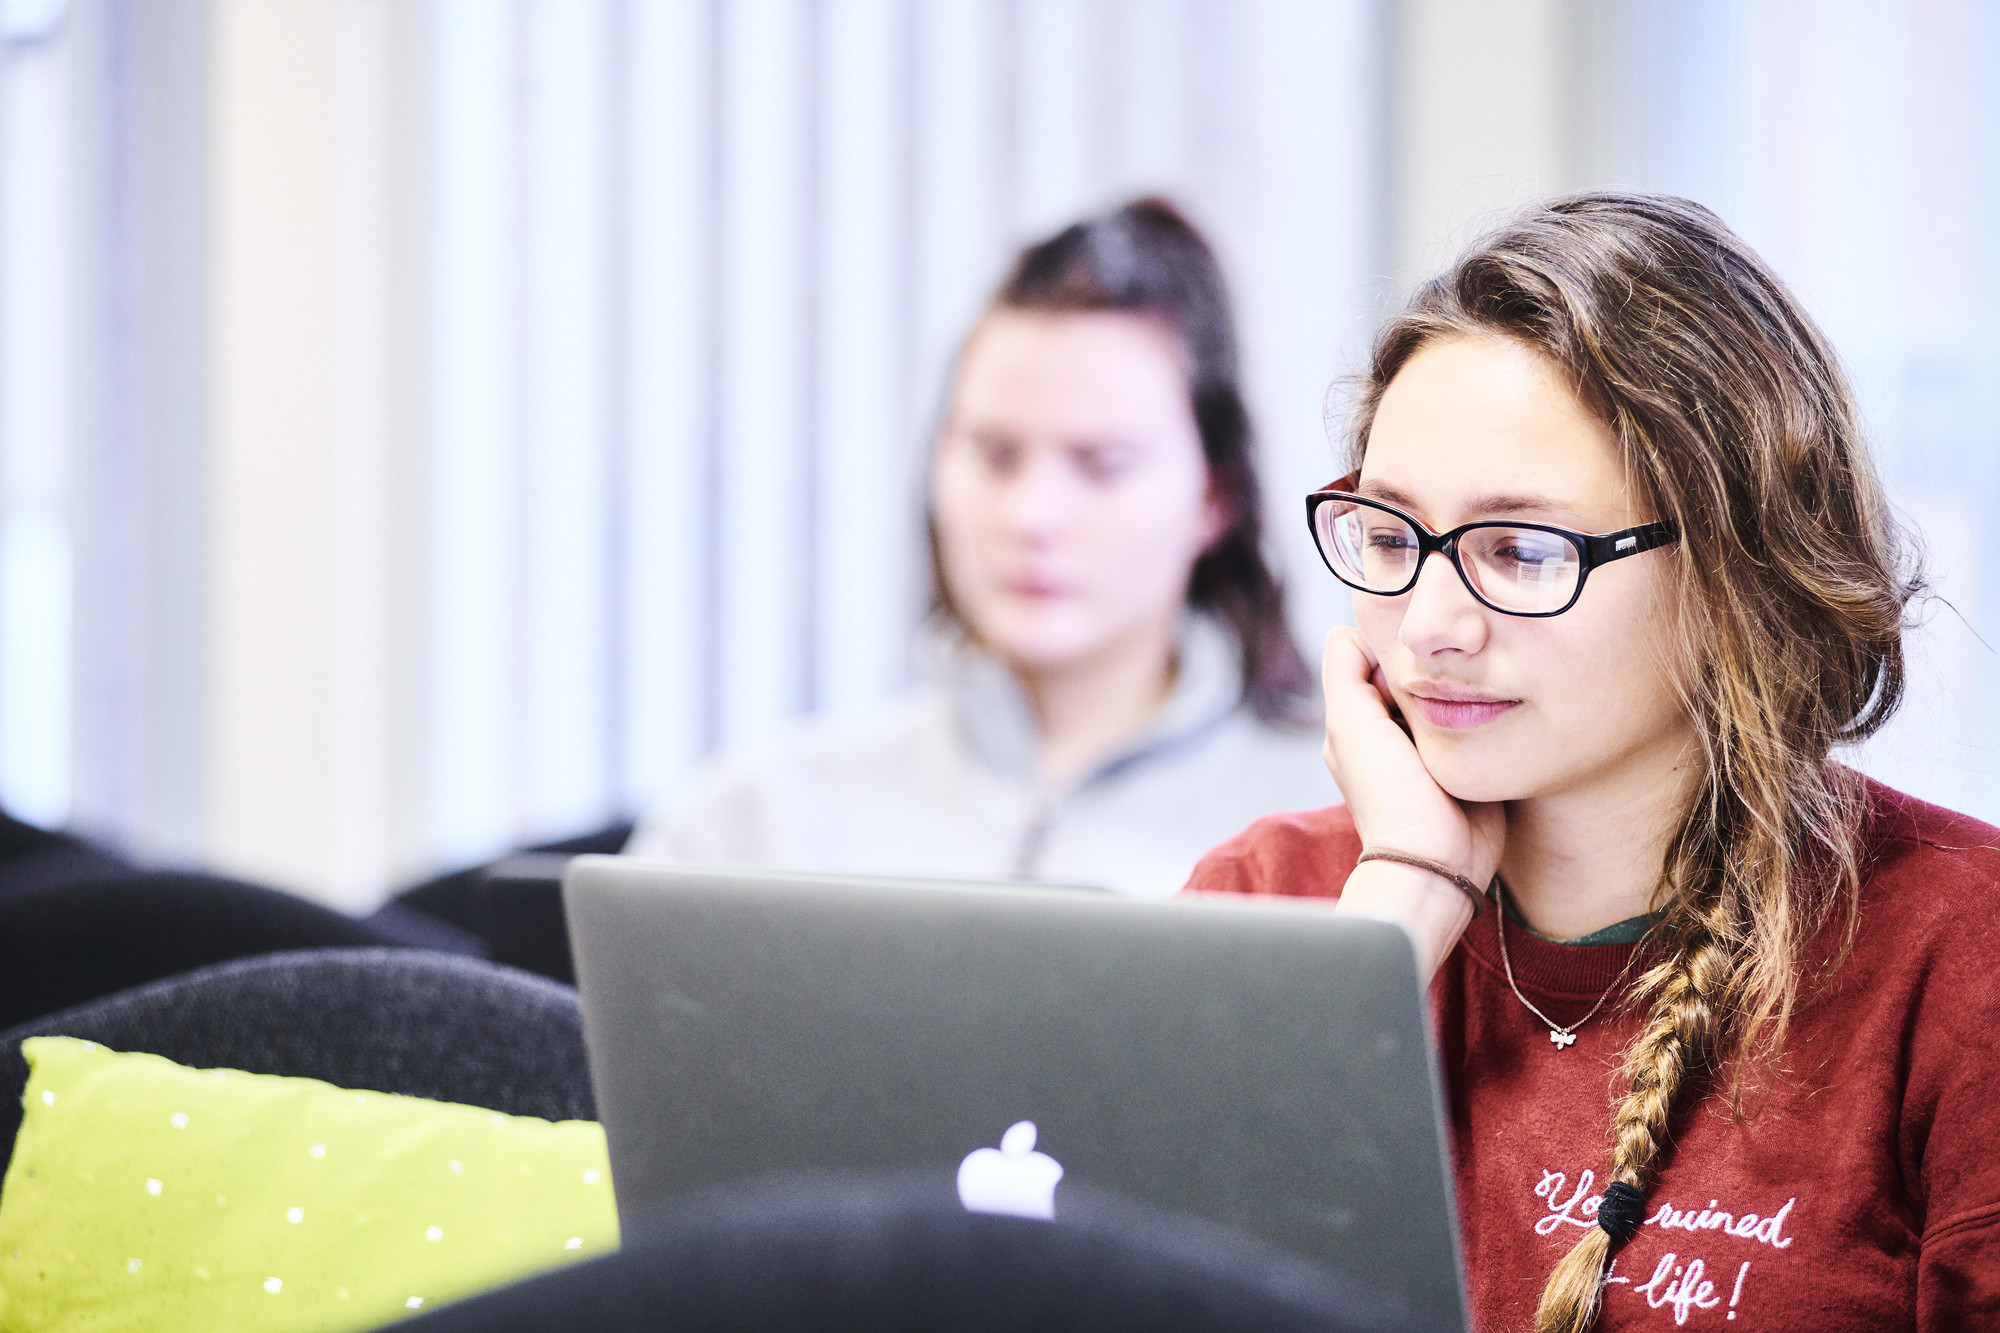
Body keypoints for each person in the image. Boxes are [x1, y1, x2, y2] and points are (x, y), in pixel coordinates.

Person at [1185, 192, 1999, 1330]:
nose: (1426, 625)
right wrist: (1399, 908)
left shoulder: (1960, 953)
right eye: (1386, 536)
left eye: (1517, 550)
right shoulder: (1269, 905)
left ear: (1733, 571)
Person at [625, 198, 1334, 898]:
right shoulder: (748, 829)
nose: (1032, 516)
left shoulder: (1340, 831)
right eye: (994, 456)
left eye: (1101, 465)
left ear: (1215, 498)